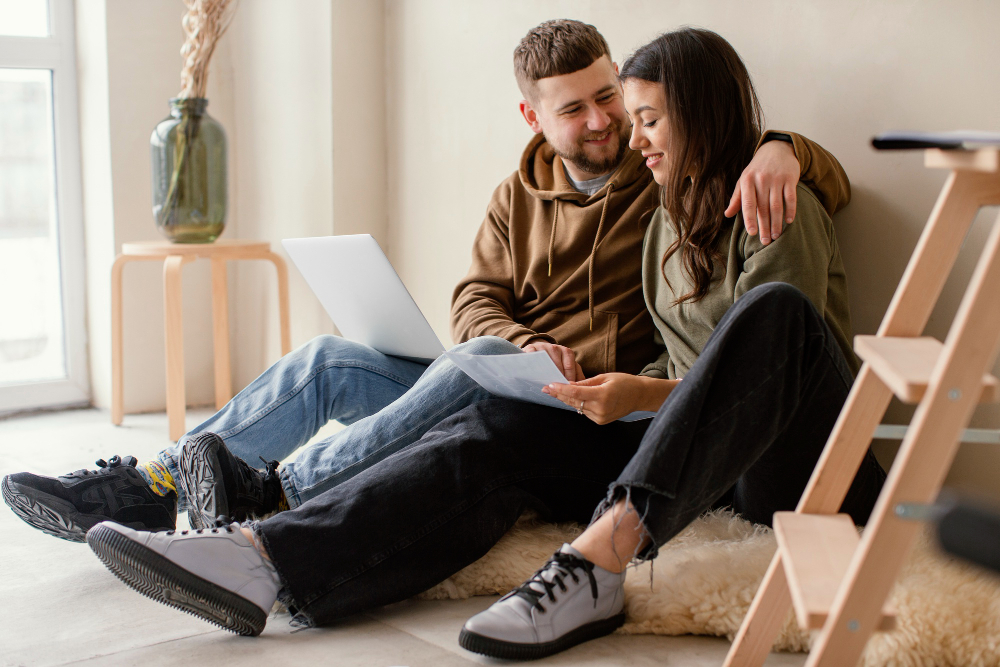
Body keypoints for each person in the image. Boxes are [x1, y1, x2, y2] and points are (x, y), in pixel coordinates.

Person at [79, 25, 882, 657]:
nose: (629, 136)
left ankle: (598, 561)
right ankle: (265, 558)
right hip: (689, 456)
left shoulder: (778, 204)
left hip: (798, 462)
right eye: (609, 115)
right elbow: (483, 304)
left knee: (774, 310)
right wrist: (616, 391)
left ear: (699, 119)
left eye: (642, 117)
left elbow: (771, 377)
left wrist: (786, 146)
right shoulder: (663, 218)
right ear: (534, 116)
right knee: (495, 428)